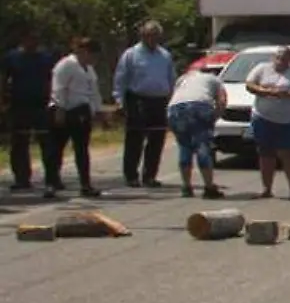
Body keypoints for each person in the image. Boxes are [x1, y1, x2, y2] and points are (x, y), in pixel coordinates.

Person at [112, 21, 176, 188]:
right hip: (138, 99)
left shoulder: (164, 55)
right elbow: (121, 79)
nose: (153, 38)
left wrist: (172, 99)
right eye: (149, 35)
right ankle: (131, 175)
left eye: (156, 35)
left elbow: (171, 79)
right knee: (135, 139)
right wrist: (119, 101)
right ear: (142, 35)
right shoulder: (131, 54)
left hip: (159, 101)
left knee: (156, 140)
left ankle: (150, 176)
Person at [246, 45, 290, 200]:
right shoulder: (262, 69)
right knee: (265, 153)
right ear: (273, 57)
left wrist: (289, 94)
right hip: (262, 117)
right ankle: (266, 189)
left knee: (289, 154)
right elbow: (249, 84)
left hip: (287, 120)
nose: (281, 61)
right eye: (279, 57)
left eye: (285, 58)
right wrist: (266, 91)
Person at [45, 37, 102, 199]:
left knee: (81, 150)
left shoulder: (89, 70)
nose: (93, 59)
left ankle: (85, 184)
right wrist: (60, 108)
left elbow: (94, 92)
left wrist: (96, 110)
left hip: (81, 111)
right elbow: (58, 88)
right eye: (92, 54)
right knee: (55, 149)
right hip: (64, 109)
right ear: (83, 51)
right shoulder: (66, 65)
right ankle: (51, 183)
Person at [3, 30, 55, 193]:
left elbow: (53, 79)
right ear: (23, 39)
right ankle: (21, 178)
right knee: (19, 143)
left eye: (35, 39)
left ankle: (52, 179)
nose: (32, 42)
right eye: (29, 39)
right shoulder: (12, 57)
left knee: (47, 143)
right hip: (20, 105)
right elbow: (3, 79)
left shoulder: (46, 58)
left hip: (42, 105)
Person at [166, 64, 226, 198]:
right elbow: (222, 101)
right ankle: (209, 187)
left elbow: (173, 96)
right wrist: (214, 118)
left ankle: (186, 186)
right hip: (199, 106)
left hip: (176, 109)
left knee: (184, 147)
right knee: (203, 147)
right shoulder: (214, 79)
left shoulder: (183, 79)